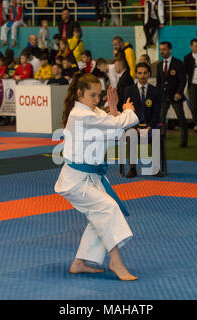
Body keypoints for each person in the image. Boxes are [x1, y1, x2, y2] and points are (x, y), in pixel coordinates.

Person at [54, 72, 139, 281]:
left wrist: (113, 109)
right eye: (92, 95)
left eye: (99, 95)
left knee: (100, 216)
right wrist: (127, 111)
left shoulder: (94, 113)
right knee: (108, 208)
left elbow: (113, 134)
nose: (96, 99)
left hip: (90, 178)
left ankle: (79, 262)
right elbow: (118, 124)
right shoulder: (80, 115)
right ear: (80, 93)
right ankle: (116, 262)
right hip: (75, 181)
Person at [123, 62, 162, 178]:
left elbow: (157, 113)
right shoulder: (129, 90)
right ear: (136, 75)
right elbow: (127, 112)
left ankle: (155, 168)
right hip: (134, 126)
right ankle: (132, 168)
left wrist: (148, 127)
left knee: (156, 133)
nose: (142, 76)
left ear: (149, 74)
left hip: (150, 126)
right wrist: (137, 128)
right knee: (131, 134)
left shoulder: (156, 91)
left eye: (145, 73)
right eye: (139, 73)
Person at [157, 41, 188, 147]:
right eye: (160, 49)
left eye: (164, 49)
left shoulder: (178, 63)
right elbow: (158, 82)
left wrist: (179, 92)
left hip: (175, 95)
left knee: (181, 118)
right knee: (161, 119)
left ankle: (184, 140)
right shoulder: (159, 65)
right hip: (163, 95)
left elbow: (183, 80)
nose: (162, 51)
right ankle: (161, 139)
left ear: (170, 50)